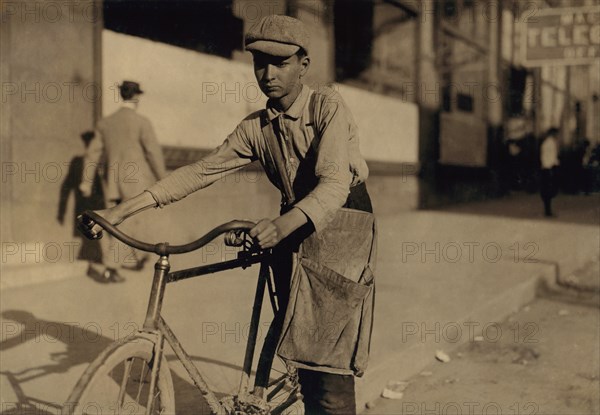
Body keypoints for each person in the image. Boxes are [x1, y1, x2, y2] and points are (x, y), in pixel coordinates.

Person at [80, 15, 374, 414]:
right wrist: (120, 211)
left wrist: (280, 226)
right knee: (293, 329)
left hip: (344, 223)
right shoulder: (257, 127)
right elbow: (200, 172)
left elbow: (335, 184)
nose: (267, 74)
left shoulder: (327, 106)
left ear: (303, 66)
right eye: (259, 63)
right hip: (294, 220)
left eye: (280, 63)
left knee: (325, 356)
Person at [80, 81, 167, 282]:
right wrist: (164, 179)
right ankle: (111, 266)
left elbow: (92, 153)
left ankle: (138, 257)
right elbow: (153, 152)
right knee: (131, 220)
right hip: (135, 181)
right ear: (136, 97)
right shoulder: (141, 122)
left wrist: (86, 182)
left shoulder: (105, 123)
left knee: (115, 221)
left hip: (111, 183)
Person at [539, 127, 560, 217]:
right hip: (549, 168)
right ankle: (548, 211)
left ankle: (548, 210)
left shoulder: (547, 142)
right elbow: (550, 157)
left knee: (548, 190)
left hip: (546, 168)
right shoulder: (550, 143)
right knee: (549, 190)